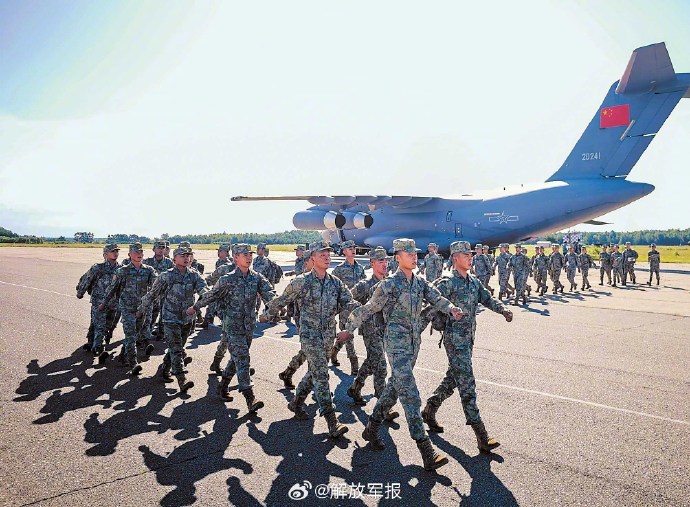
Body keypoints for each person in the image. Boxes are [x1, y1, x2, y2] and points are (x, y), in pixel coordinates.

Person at [339, 238, 463, 471]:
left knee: (393, 389)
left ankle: (371, 428)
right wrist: (348, 329)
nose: (414, 257)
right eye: (408, 253)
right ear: (397, 257)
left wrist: (451, 308)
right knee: (410, 394)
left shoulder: (420, 283)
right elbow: (367, 309)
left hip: (413, 344)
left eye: (415, 253)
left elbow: (437, 298)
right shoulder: (388, 285)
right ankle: (426, 449)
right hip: (395, 345)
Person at [420, 241, 513, 451]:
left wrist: (503, 310)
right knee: (467, 383)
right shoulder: (447, 282)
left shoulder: (473, 281)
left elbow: (487, 299)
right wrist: (414, 331)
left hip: (469, 338)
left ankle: (430, 408)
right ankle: (481, 434)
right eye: (465, 255)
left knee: (453, 377)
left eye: (471, 255)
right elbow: (430, 304)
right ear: (455, 258)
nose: (470, 258)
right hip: (454, 340)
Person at [265, 241, 358, 439]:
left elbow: (349, 302)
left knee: (314, 372)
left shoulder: (335, 282)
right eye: (321, 253)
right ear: (312, 258)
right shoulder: (302, 281)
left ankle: (296, 403)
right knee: (322, 376)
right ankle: (332, 422)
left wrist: (366, 310)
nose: (326, 256)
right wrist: (267, 313)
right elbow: (282, 300)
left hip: (327, 336)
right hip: (309, 335)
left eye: (328, 253)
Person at [192, 244, 275, 412]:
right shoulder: (227, 279)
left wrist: (274, 308)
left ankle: (222, 387)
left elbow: (270, 294)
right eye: (245, 254)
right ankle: (250, 397)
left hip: (249, 326)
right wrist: (195, 307)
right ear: (236, 257)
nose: (249, 257)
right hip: (232, 326)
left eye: (250, 254)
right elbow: (211, 295)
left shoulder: (256, 278)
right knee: (243, 359)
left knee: (235, 359)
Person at [138, 246, 209, 392]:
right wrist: (141, 310)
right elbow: (152, 294)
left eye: (189, 255)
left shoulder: (194, 275)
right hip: (170, 318)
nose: (186, 258)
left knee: (177, 347)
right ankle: (182, 379)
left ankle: (165, 369)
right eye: (183, 255)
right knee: (176, 349)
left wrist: (206, 298)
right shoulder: (166, 276)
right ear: (174, 258)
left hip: (188, 319)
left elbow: (204, 290)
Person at [100, 243, 157, 375]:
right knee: (131, 335)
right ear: (129, 254)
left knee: (134, 335)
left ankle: (122, 356)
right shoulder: (122, 271)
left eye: (141, 252)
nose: (139, 254)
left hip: (141, 308)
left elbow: (156, 285)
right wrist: (104, 303)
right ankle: (133, 363)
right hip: (126, 308)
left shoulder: (149, 270)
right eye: (136, 252)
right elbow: (112, 289)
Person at [344, 247, 389, 406]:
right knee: (381, 366)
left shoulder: (389, 283)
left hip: (387, 330)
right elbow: (347, 299)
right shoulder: (365, 285)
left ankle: (356, 387)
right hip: (371, 330)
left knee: (372, 361)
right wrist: (360, 312)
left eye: (385, 260)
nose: (384, 264)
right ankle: (382, 403)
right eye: (380, 261)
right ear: (372, 263)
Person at [76, 243, 121, 361]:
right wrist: (80, 293)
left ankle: (91, 342)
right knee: (100, 325)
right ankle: (99, 349)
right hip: (98, 302)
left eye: (117, 251)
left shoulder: (121, 269)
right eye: (113, 251)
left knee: (106, 326)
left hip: (114, 303)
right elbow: (86, 280)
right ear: (105, 254)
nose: (115, 253)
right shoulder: (98, 268)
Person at [277, 249, 314, 389]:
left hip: (320, 324)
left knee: (308, 351)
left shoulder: (322, 278)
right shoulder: (301, 281)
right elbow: (286, 299)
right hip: (304, 321)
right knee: (313, 352)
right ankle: (318, 386)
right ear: (306, 263)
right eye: (312, 259)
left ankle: (288, 372)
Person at [330, 240, 366, 374]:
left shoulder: (360, 268)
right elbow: (332, 288)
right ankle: (354, 365)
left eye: (354, 247)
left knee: (346, 335)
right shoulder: (338, 270)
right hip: (345, 309)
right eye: (349, 248)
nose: (353, 249)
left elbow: (364, 287)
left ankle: (334, 352)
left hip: (357, 308)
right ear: (344, 251)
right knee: (349, 336)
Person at [143, 241, 174, 336]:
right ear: (154, 249)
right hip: (151, 291)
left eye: (163, 248)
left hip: (165, 292)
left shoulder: (169, 262)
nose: (161, 250)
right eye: (159, 248)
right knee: (150, 313)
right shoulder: (147, 262)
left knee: (164, 313)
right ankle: (147, 332)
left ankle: (161, 333)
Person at [200, 244, 233, 329]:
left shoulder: (226, 264)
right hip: (216, 287)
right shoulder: (218, 262)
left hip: (222, 289)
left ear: (226, 252)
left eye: (220, 251)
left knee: (219, 306)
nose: (218, 252)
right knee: (211, 304)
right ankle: (207, 321)